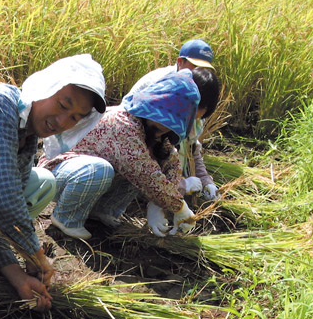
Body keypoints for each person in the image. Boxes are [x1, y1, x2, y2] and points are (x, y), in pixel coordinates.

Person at [0, 54, 107, 311]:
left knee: (42, 182)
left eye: (75, 118)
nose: (63, 122)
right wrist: (35, 254)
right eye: (63, 104)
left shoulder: (28, 136)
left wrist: (16, 274)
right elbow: (3, 198)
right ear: (48, 87)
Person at [39, 70, 201, 240]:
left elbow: (172, 164)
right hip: (59, 172)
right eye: (162, 119)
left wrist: (159, 204)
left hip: (83, 175)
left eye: (170, 124)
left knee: (144, 166)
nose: (164, 127)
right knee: (101, 169)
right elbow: (147, 175)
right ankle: (66, 218)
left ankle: (103, 211)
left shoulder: (154, 132)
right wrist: (179, 207)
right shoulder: (124, 125)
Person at [124, 39, 221, 202]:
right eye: (193, 65)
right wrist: (177, 186)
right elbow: (145, 148)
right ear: (180, 62)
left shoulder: (195, 94)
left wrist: (206, 181)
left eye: (203, 68)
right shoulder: (163, 91)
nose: (197, 71)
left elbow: (191, 147)